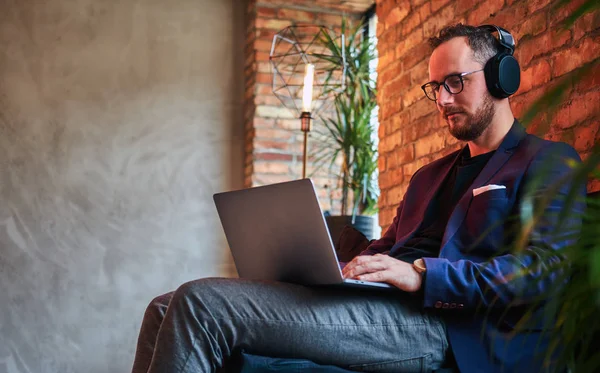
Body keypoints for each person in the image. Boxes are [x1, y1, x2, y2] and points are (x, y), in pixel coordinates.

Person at [131, 24, 585, 373]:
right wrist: (334, 265)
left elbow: (545, 269)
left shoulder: (546, 161)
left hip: (450, 329)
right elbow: (387, 249)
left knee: (199, 301)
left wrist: (424, 275)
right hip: (381, 308)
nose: (443, 99)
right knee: (164, 307)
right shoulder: (430, 176)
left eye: (456, 82)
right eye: (435, 88)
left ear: (500, 78)